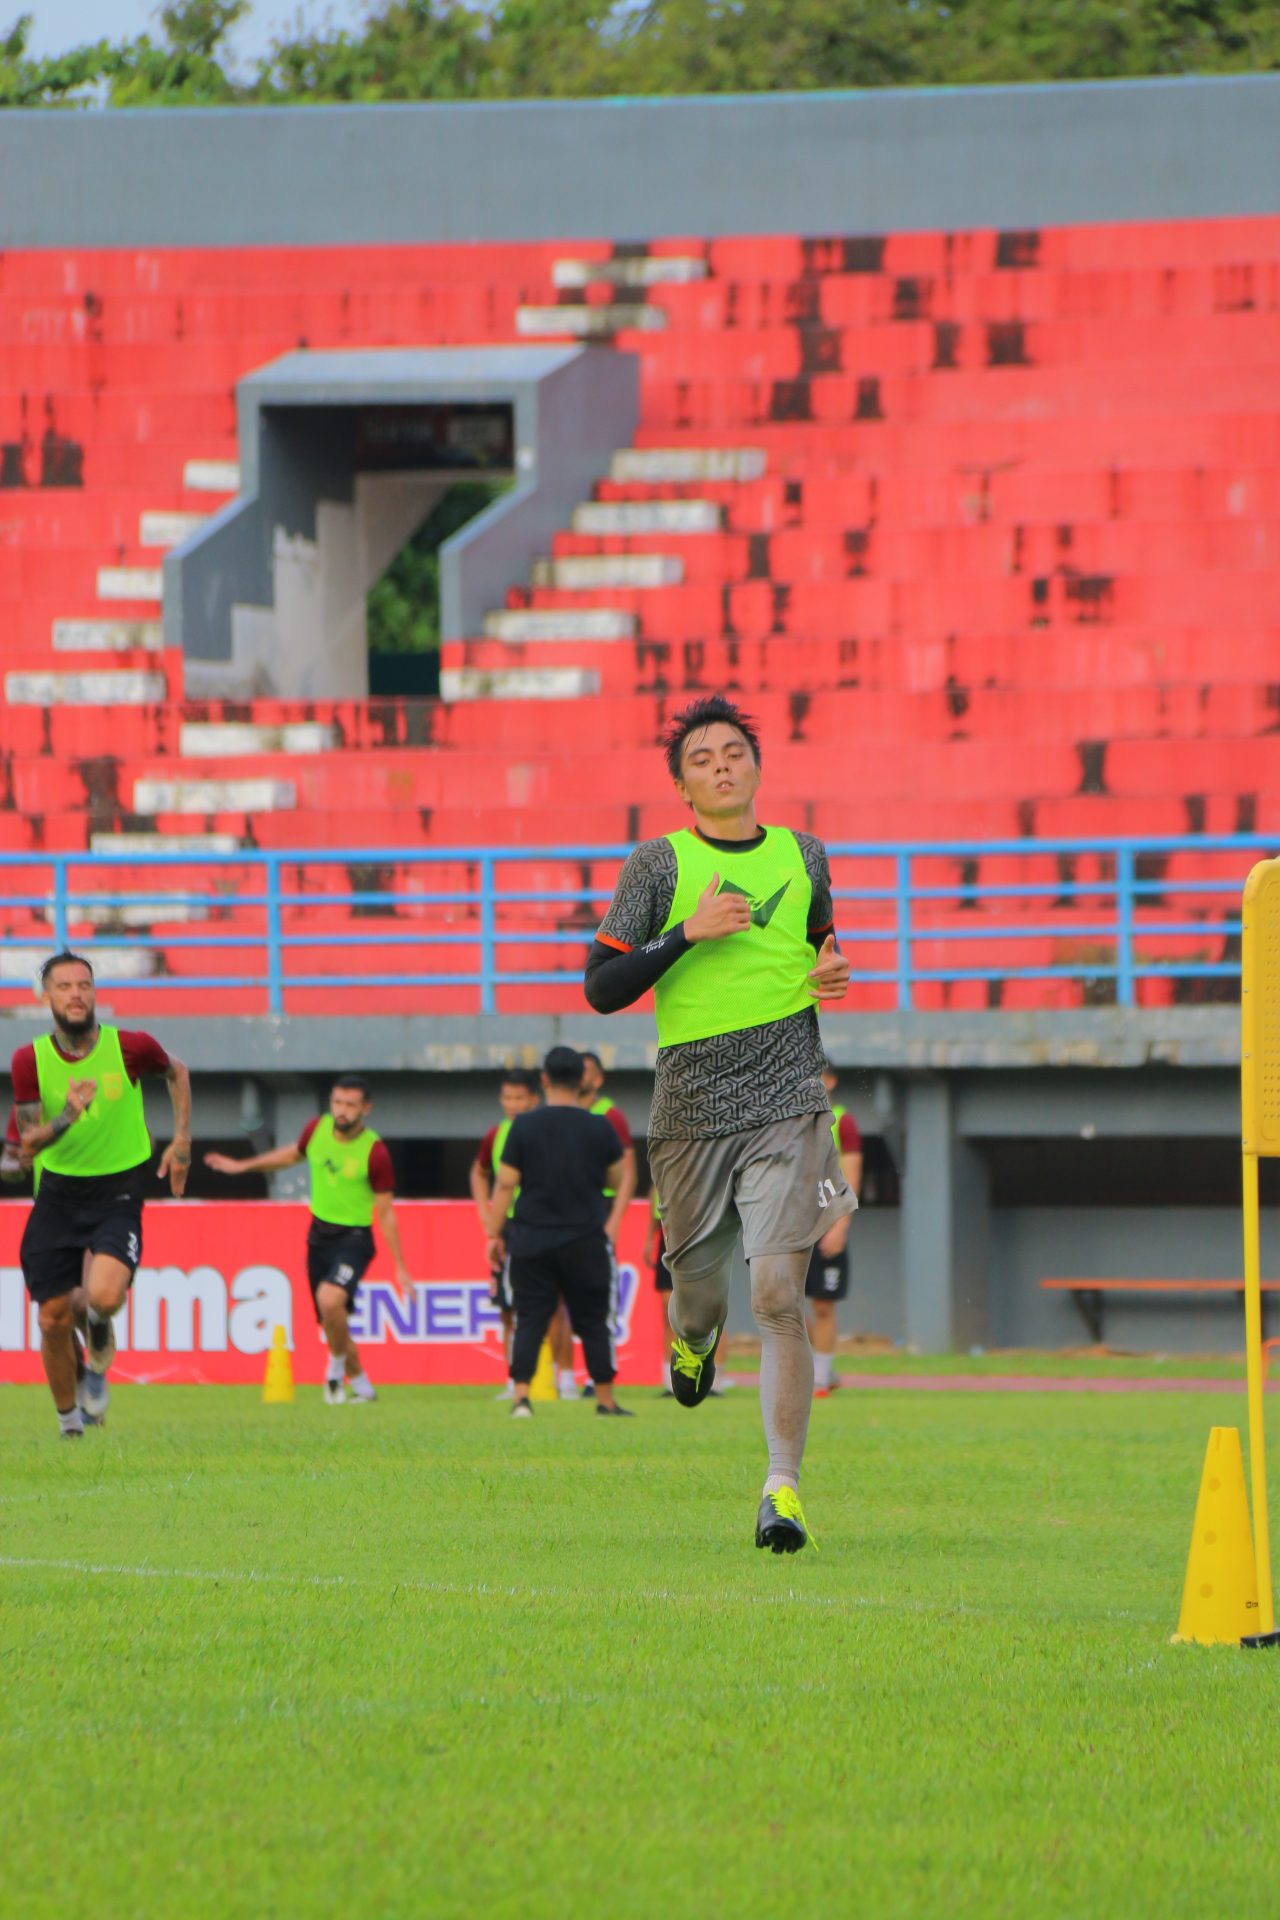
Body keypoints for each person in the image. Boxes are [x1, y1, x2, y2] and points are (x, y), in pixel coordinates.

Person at [584, 692, 855, 1551]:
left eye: (733, 751)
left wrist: (832, 966)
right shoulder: (657, 866)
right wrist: (687, 935)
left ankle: (783, 1491)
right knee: (699, 1298)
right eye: (701, 759)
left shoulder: (804, 853)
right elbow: (600, 988)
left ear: (757, 767)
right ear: (684, 789)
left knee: (778, 1293)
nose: (721, 765)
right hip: (691, 1112)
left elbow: (819, 942)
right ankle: (692, 1343)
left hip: (788, 1099)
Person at [11, 951, 192, 1439]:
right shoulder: (30, 1060)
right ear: (47, 997)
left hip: (118, 1191)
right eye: (65, 986)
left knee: (104, 1296)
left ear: (94, 993)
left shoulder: (130, 1047)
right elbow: (27, 1141)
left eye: (84, 985)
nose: (76, 994)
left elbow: (177, 1071)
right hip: (58, 1196)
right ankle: (72, 1423)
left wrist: (181, 1142)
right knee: (51, 1319)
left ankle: (96, 1324)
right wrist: (66, 1116)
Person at [205, 1075, 410, 1404]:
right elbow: (290, 1155)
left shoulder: (376, 1152)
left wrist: (400, 1266)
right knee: (332, 1320)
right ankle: (362, 1387)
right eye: (337, 1103)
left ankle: (334, 1369)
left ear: (365, 1109)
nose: (341, 1111)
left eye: (350, 1105)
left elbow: (386, 1212)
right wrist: (242, 1166)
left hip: (355, 1238)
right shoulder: (316, 1130)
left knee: (330, 1301)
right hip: (319, 1238)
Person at [486, 1045, 632, 1419]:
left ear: (545, 1080)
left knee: (530, 1317)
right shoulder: (599, 1126)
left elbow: (504, 1185)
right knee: (593, 1320)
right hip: (584, 1238)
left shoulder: (523, 1125)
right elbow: (618, 1178)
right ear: (582, 1081)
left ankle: (521, 1397)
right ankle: (605, 1399)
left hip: (532, 1237)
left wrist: (492, 1234)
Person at [470, 1068, 541, 1397]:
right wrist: (489, 1219)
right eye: (507, 1097)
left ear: (534, 1100)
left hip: (539, 1225)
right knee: (507, 1306)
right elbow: (479, 1172)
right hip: (508, 1228)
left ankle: (559, 1377)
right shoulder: (495, 1134)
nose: (512, 1104)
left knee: (546, 1306)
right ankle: (514, 1378)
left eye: (519, 1098)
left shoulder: (543, 1131)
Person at [805, 1064, 864, 1397]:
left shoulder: (843, 1120)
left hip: (828, 1223)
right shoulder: (793, 1119)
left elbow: (852, 1178)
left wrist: (840, 1226)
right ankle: (821, 1366)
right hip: (797, 1224)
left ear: (832, 1081)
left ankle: (820, 1379)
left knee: (823, 1305)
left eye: (820, 1076)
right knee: (786, 1305)